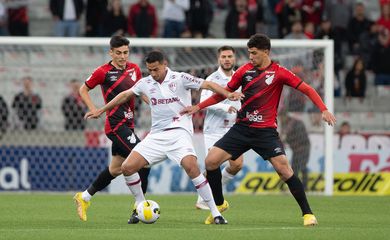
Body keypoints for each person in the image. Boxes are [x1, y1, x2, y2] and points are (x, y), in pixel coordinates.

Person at [180, 33, 336, 226]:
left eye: (254, 53)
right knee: (211, 162)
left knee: (285, 171)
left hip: (265, 132)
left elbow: (307, 89)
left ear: (266, 52)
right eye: (249, 53)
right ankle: (219, 204)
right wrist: (198, 107)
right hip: (242, 129)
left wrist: (324, 109)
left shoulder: (279, 72)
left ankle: (307, 214)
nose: (250, 57)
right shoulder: (244, 71)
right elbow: (224, 94)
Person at [85, 50, 244, 224]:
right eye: (150, 70)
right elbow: (124, 95)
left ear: (164, 64)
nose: (153, 74)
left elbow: (208, 85)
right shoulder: (145, 82)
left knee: (192, 167)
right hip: (157, 135)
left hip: (179, 133)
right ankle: (140, 205)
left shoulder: (180, 78)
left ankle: (216, 213)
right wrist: (101, 109)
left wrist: (228, 94)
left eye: (156, 70)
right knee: (127, 167)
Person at [73, 36, 150, 223]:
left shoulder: (135, 69)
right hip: (115, 126)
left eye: (125, 52)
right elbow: (83, 89)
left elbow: (141, 92)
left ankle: (84, 197)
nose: (122, 56)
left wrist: (156, 105)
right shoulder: (103, 72)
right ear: (111, 53)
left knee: (115, 169)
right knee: (144, 161)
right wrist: (93, 109)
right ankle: (139, 207)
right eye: (118, 53)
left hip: (129, 124)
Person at [195, 46, 244, 210]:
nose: (227, 59)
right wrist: (225, 108)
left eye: (230, 56)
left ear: (234, 58)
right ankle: (204, 198)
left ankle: (213, 189)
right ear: (219, 59)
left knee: (237, 165)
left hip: (233, 129)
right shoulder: (212, 78)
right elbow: (204, 103)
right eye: (223, 56)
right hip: (213, 130)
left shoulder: (239, 77)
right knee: (213, 164)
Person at [281, 114, 310, 190]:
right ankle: (296, 187)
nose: (280, 120)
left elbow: (301, 136)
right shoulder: (286, 124)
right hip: (296, 150)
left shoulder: (296, 123)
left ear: (285, 116)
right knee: (294, 168)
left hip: (303, 149)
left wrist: (288, 140)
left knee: (302, 166)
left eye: (281, 117)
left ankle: (304, 186)